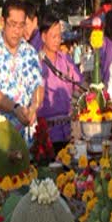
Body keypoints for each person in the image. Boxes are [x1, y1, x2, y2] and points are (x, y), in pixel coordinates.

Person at [0, 0, 44, 135]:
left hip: (29, 136)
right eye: (13, 24)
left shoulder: (30, 53)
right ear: (2, 22)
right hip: (1, 135)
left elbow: (38, 85)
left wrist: (34, 106)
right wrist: (15, 108)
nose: (17, 31)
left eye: (21, 25)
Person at [37, 14, 83, 151]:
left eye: (59, 36)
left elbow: (79, 85)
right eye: (54, 36)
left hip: (67, 132)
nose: (58, 40)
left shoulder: (66, 60)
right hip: (46, 134)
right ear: (43, 37)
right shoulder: (35, 63)